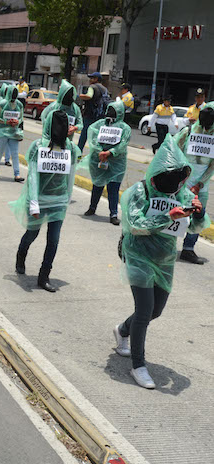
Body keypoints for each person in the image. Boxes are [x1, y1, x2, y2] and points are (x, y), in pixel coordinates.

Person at [113, 134, 209, 389]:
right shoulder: (139, 191)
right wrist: (168, 216)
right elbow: (135, 225)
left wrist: (199, 212)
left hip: (165, 259)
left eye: (178, 180)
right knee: (144, 310)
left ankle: (123, 330)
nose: (173, 185)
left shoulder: (183, 194)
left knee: (156, 310)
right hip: (138, 255)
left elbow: (194, 227)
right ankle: (138, 365)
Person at [11, 110, 80, 292]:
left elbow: (70, 176)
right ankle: (21, 255)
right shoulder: (38, 146)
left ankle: (44, 275)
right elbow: (33, 174)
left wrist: (67, 198)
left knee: (54, 239)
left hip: (58, 200)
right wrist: (33, 201)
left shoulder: (70, 149)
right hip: (39, 199)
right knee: (32, 234)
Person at [173, 101, 214, 264]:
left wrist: (199, 185)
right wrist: (179, 178)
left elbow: (212, 166)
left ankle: (188, 249)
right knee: (174, 213)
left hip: (200, 186)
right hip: (180, 182)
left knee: (197, 215)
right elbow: (173, 151)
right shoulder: (188, 131)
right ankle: (166, 244)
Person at [81, 101, 132, 224]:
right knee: (97, 185)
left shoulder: (125, 128)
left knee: (113, 187)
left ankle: (113, 214)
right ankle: (92, 207)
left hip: (116, 162)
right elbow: (93, 138)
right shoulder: (99, 124)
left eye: (113, 110)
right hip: (99, 159)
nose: (109, 112)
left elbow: (123, 143)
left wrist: (110, 152)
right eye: (109, 109)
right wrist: (100, 151)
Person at [0, 84, 24, 182]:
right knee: (0, 152)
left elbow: (21, 117)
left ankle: (17, 174)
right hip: (2, 133)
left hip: (14, 132)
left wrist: (18, 121)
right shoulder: (2, 103)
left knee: (14, 153)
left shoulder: (19, 105)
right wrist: (6, 122)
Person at [78, 72, 109, 151]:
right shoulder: (105, 89)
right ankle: (96, 154)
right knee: (97, 136)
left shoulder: (92, 87)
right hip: (101, 116)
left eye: (92, 78)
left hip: (90, 114)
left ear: (96, 79)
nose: (90, 80)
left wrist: (80, 96)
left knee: (84, 134)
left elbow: (89, 96)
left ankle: (78, 152)